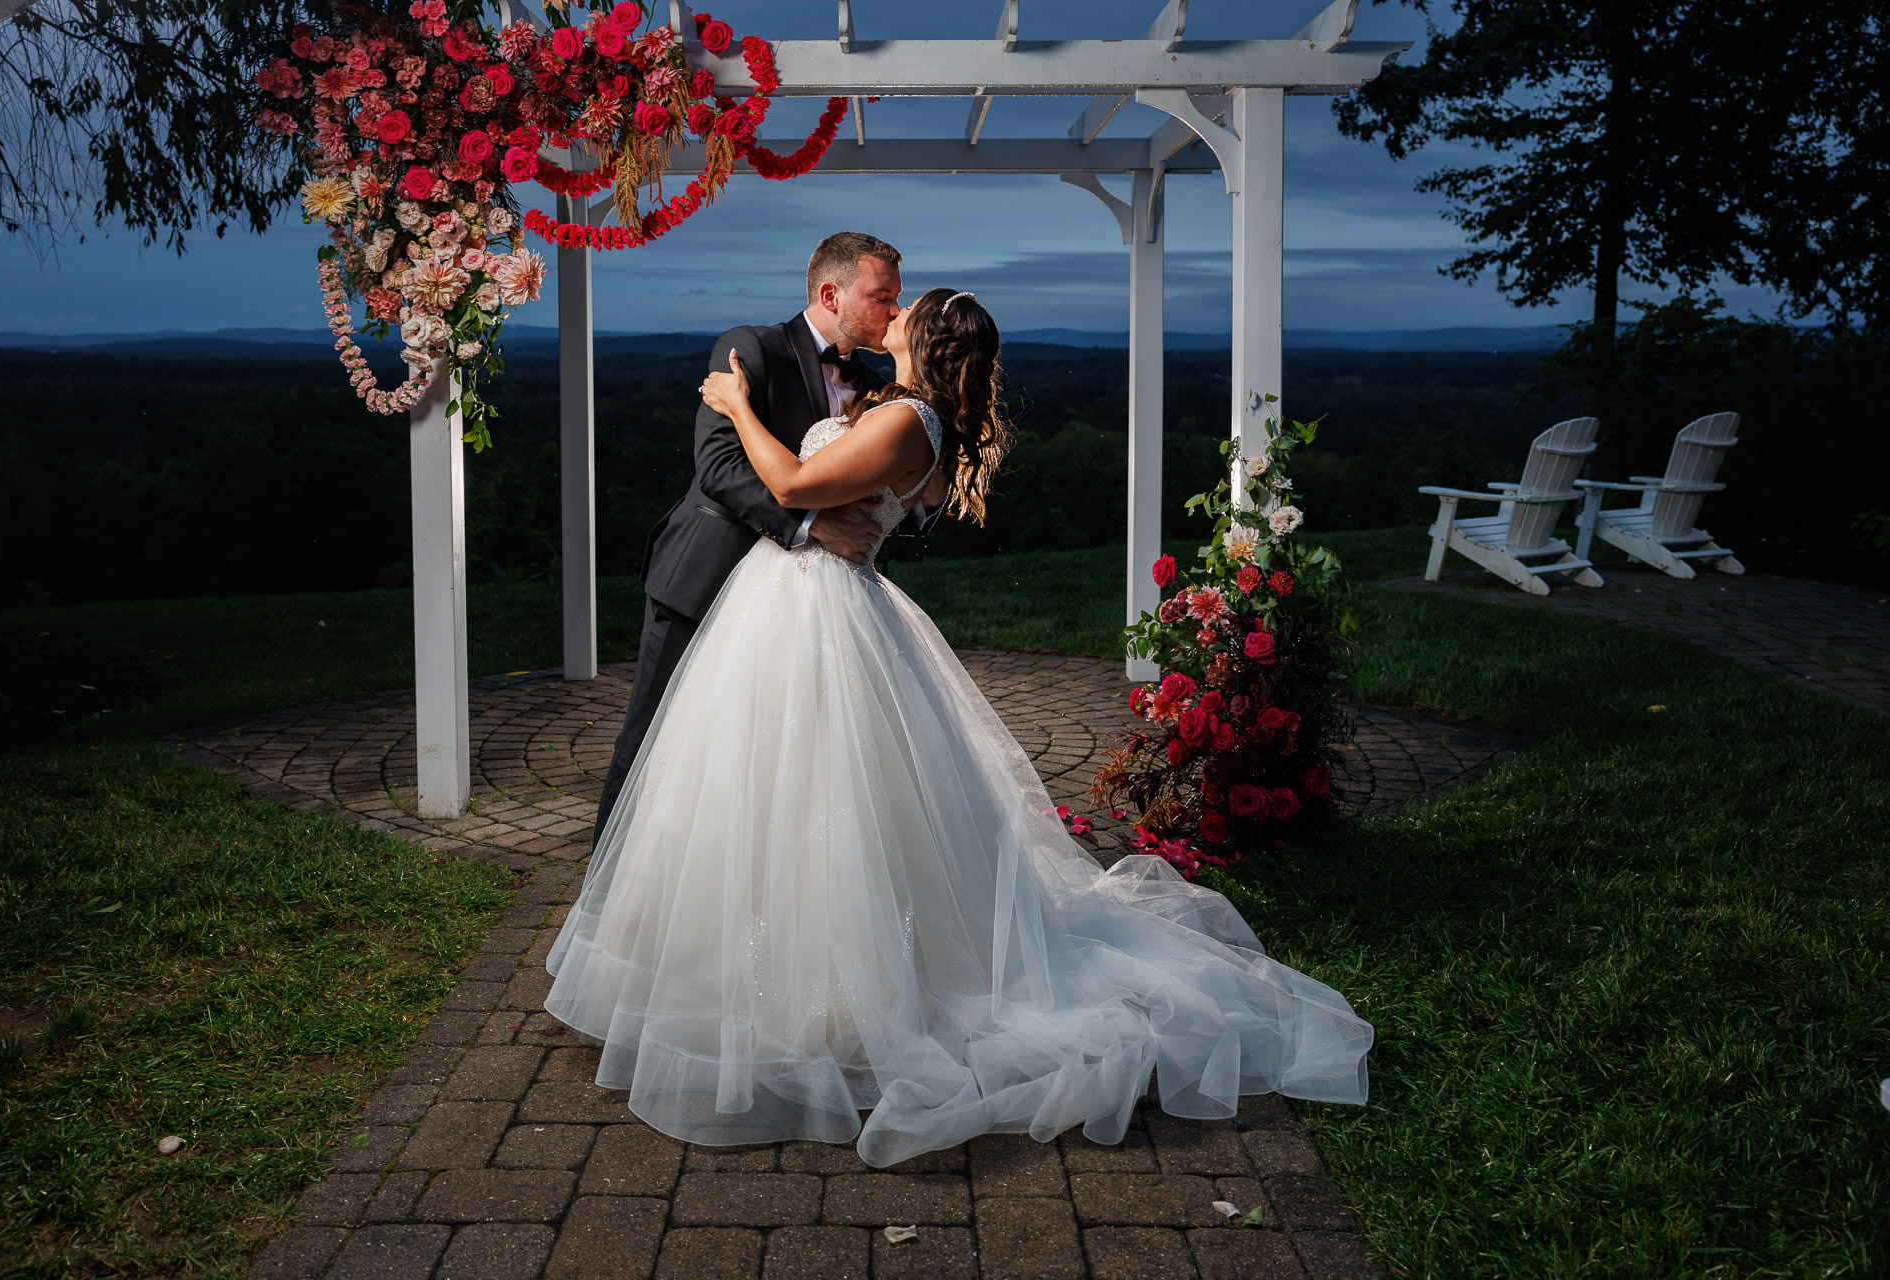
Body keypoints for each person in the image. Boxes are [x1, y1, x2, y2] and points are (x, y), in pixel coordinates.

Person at [545, 287, 1373, 1168]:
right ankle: (735, 973)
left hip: (817, 613)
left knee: (823, 795)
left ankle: (827, 991)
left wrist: (738, 404)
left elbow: (788, 483)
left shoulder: (911, 422)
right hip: (793, 604)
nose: (891, 313)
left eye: (908, 310)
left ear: (928, 339)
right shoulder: (903, 411)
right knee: (763, 790)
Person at [592, 231, 905, 839]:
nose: (893, 311)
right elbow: (718, 466)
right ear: (830, 293)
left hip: (796, 603)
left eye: (897, 298)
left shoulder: (875, 384)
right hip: (707, 573)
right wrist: (814, 524)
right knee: (655, 730)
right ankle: (607, 879)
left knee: (761, 743)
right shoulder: (751, 348)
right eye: (881, 296)